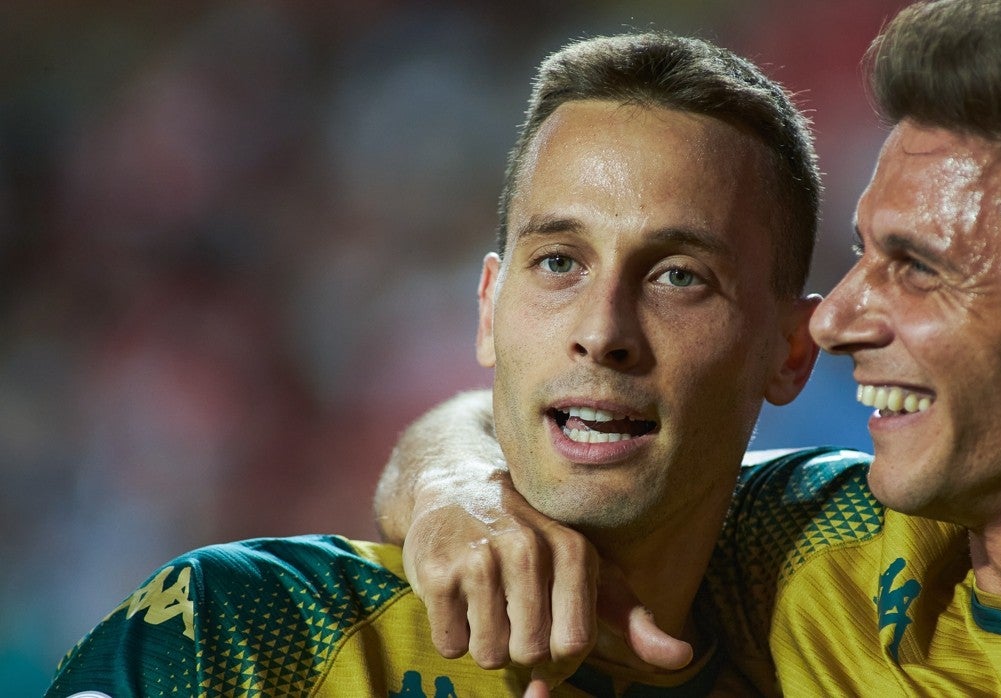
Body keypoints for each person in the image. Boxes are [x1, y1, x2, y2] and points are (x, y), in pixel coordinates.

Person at [373, 0, 1001, 694]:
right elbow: (517, 421)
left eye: (915, 267)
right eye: (864, 251)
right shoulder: (799, 547)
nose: (835, 321)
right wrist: (458, 491)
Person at [44, 32, 825, 698]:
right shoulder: (244, 629)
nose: (602, 331)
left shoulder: (863, 583)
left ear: (790, 353)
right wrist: (450, 477)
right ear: (488, 308)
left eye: (679, 276)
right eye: (559, 261)